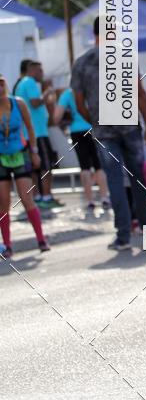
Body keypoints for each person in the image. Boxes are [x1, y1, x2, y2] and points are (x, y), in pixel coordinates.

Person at [71, 16, 146, 251]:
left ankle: (123, 236)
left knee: (115, 181)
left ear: (94, 33)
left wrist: (94, 121)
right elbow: (140, 93)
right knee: (138, 178)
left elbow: (78, 103)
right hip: (130, 127)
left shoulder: (82, 62)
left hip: (104, 131)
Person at [0, 73, 50, 257]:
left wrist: (34, 151)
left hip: (20, 154)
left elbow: (30, 128)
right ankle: (7, 245)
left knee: (26, 197)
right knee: (3, 202)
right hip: (1, 158)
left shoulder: (18, 103)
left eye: (1, 83)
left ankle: (41, 239)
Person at [52, 86, 111, 215]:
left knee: (84, 167)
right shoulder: (92, 88)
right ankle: (104, 198)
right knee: (99, 165)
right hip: (94, 127)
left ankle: (90, 201)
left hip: (76, 131)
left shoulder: (67, 94)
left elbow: (56, 117)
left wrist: (65, 124)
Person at [14, 60, 61, 208]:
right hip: (38, 133)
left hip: (28, 133)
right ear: (32, 70)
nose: (42, 74)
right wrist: (47, 92)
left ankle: (38, 197)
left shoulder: (20, 84)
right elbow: (35, 102)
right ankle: (46, 197)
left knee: (34, 168)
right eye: (40, 71)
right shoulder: (29, 82)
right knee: (45, 166)